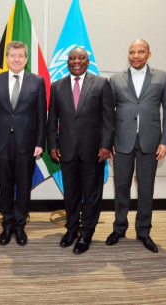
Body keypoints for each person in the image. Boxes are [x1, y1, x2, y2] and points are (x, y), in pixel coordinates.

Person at [106, 39, 166, 253]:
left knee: (146, 189)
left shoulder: (162, 76)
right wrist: (108, 142)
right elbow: (108, 114)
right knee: (121, 188)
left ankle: (144, 231)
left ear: (149, 54)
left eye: (140, 52)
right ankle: (119, 228)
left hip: (151, 143)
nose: (136, 56)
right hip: (121, 143)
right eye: (132, 52)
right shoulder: (115, 79)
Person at [47, 47, 115, 254]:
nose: (76, 61)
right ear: (68, 62)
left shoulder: (101, 84)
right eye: (72, 58)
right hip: (66, 150)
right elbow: (53, 120)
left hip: (94, 150)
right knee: (71, 194)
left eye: (80, 58)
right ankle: (71, 230)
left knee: (91, 194)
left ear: (87, 61)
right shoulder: (57, 86)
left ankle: (87, 233)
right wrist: (53, 144)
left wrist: (105, 145)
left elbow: (108, 119)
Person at [0, 41, 47, 246]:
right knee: (4, 186)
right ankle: (7, 225)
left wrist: (40, 142)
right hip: (1, 142)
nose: (17, 59)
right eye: (13, 55)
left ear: (27, 59)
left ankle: (20, 226)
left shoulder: (37, 81)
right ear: (7, 58)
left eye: (21, 56)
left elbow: (41, 115)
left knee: (23, 186)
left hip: (27, 144)